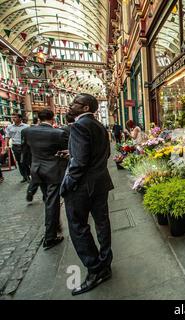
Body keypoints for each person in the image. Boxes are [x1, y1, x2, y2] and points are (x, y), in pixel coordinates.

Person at [61, 93, 114, 296]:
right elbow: (103, 154)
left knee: (78, 227)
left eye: (75, 102)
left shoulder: (78, 126)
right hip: (100, 183)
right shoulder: (100, 126)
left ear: (85, 108)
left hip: (82, 188)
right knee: (102, 224)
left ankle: (95, 269)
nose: (71, 104)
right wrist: (73, 153)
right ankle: (106, 263)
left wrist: (67, 184)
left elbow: (80, 163)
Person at [22, 109, 68, 249]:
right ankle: (50, 236)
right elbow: (68, 151)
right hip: (53, 171)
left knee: (48, 200)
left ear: (38, 118)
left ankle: (55, 226)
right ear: (52, 118)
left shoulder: (28, 132)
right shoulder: (58, 133)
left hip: (37, 170)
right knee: (52, 202)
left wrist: (29, 168)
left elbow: (25, 153)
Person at [4, 113, 30, 182]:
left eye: (15, 117)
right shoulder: (9, 127)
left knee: (25, 161)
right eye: (13, 117)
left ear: (20, 118)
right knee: (19, 162)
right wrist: (6, 145)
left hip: (24, 146)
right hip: (15, 146)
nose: (13, 118)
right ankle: (24, 176)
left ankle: (28, 175)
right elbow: (7, 136)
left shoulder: (26, 126)